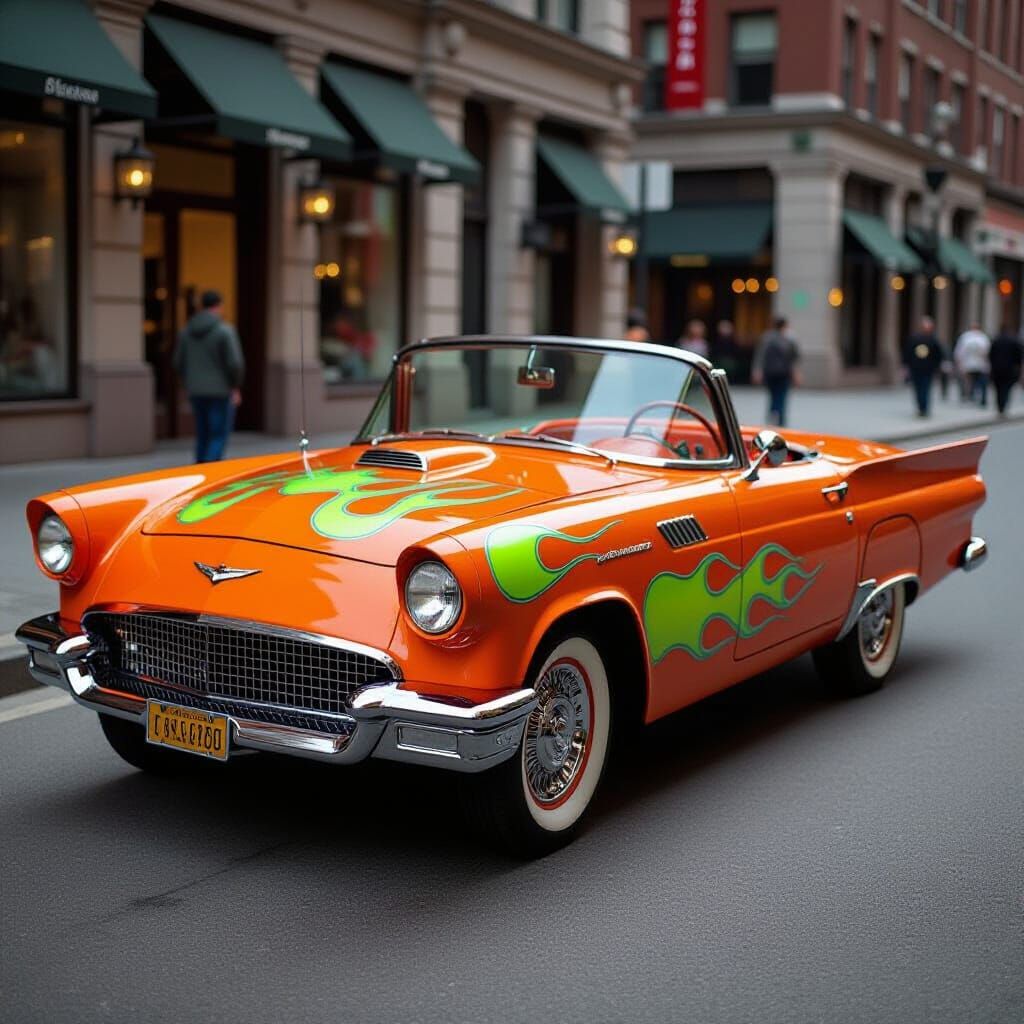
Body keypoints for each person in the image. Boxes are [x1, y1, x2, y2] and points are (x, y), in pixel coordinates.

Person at [173, 289, 244, 463]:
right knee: (217, 435)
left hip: (196, 390)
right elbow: (235, 363)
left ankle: (200, 470)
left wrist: (189, 382)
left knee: (202, 434)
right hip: (220, 391)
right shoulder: (224, 331)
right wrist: (235, 386)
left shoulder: (186, 332)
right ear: (219, 306)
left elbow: (177, 362)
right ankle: (210, 471)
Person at [902, 316, 944, 418]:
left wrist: (936, 367)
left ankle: (924, 409)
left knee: (925, 388)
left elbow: (938, 355)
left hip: (927, 370)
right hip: (915, 369)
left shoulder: (933, 340)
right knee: (917, 389)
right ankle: (920, 407)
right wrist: (906, 366)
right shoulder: (914, 339)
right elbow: (907, 353)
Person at [989, 324, 1024, 417]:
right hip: (1010, 370)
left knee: (998, 389)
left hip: (996, 369)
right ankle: (1003, 407)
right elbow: (1019, 357)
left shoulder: (995, 341)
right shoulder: (1014, 341)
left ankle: (1000, 407)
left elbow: (990, 355)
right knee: (1006, 389)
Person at [953, 322, 991, 406]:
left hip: (974, 364)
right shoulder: (981, 337)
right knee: (976, 381)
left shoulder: (968, 337)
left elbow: (959, 351)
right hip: (975, 364)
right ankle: (975, 397)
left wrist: (959, 362)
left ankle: (974, 397)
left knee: (974, 381)